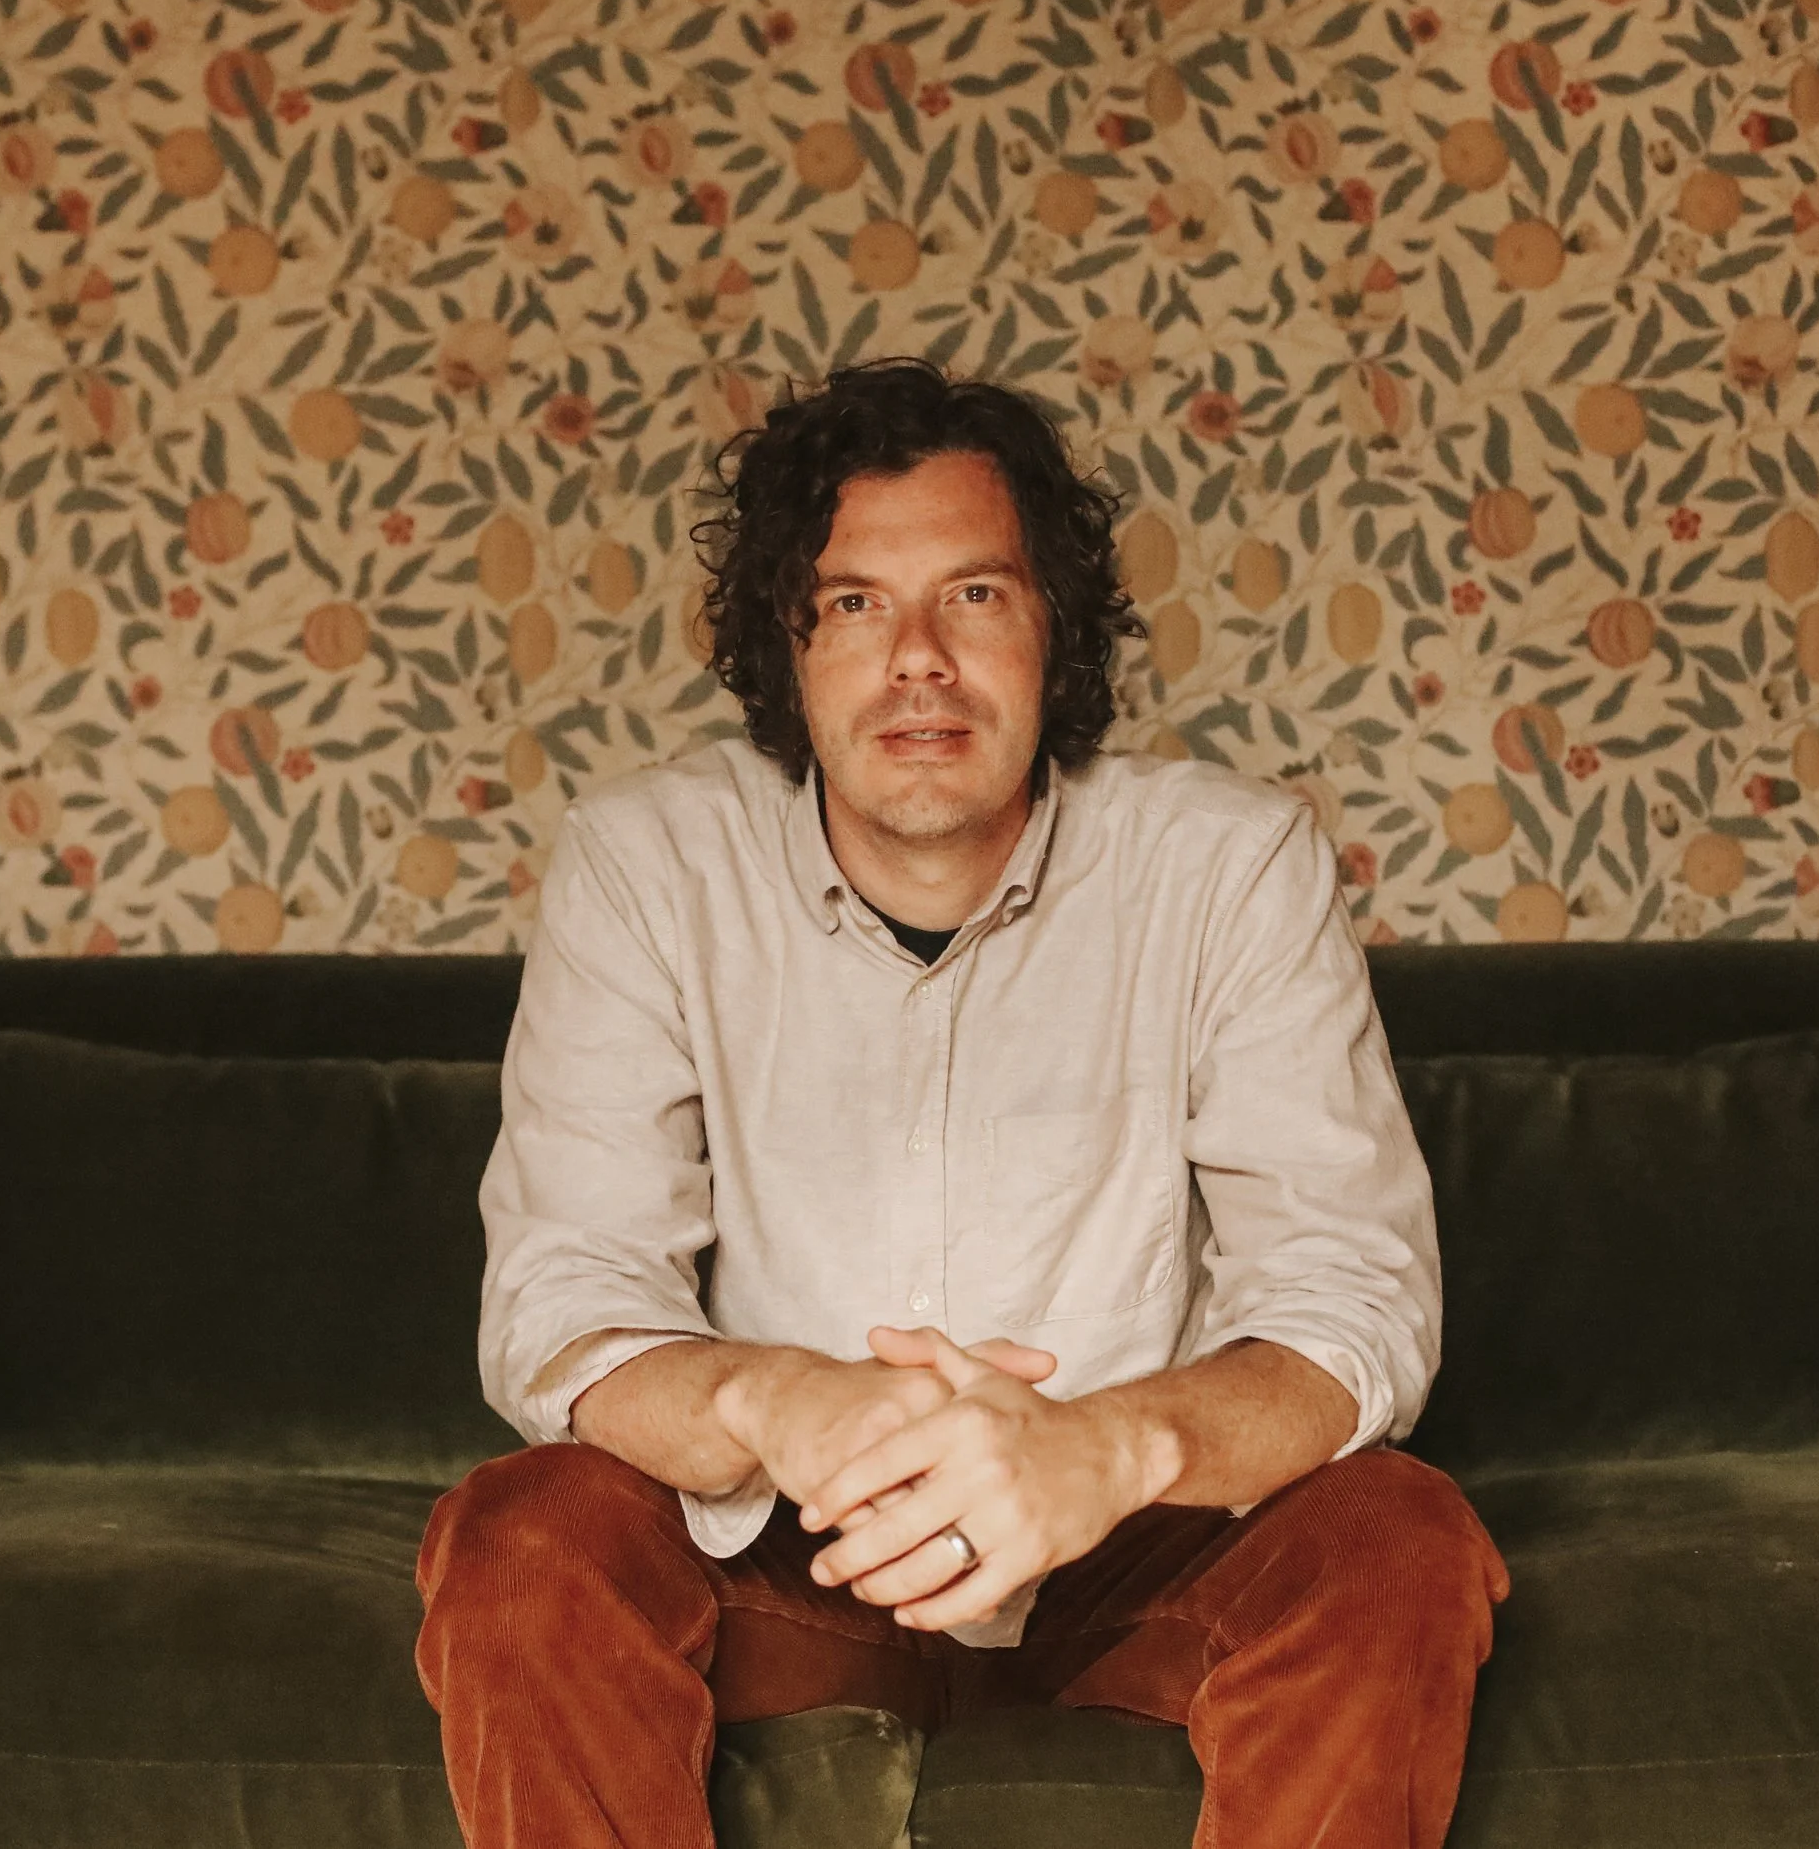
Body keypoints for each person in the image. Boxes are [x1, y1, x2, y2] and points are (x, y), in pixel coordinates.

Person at [414, 359, 1507, 1848]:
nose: (917, 658)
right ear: (789, 646)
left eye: (976, 596)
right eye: (856, 602)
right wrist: (774, 1398)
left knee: (1399, 1532)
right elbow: (563, 1294)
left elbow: (1354, 1300)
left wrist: (1104, 1450)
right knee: (521, 1530)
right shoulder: (645, 866)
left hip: (1129, 1559)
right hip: (781, 1554)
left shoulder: (1233, 867)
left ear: (1054, 630)